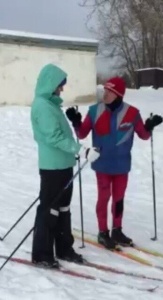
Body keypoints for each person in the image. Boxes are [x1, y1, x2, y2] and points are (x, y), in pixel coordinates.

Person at [66, 77, 163, 250]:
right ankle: (103, 232)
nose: (105, 94)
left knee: (118, 199)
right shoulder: (94, 111)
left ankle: (117, 230)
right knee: (104, 198)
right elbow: (81, 134)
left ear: (118, 94)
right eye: (104, 91)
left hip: (122, 165)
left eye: (108, 91)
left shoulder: (132, 113)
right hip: (102, 165)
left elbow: (144, 135)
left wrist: (149, 125)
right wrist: (76, 122)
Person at [30, 63, 99, 268]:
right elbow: (54, 138)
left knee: (63, 208)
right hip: (52, 168)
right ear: (50, 83)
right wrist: (81, 150)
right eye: (60, 85)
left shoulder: (51, 105)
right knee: (49, 210)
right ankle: (42, 253)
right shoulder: (42, 106)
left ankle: (63, 248)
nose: (62, 89)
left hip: (63, 166)